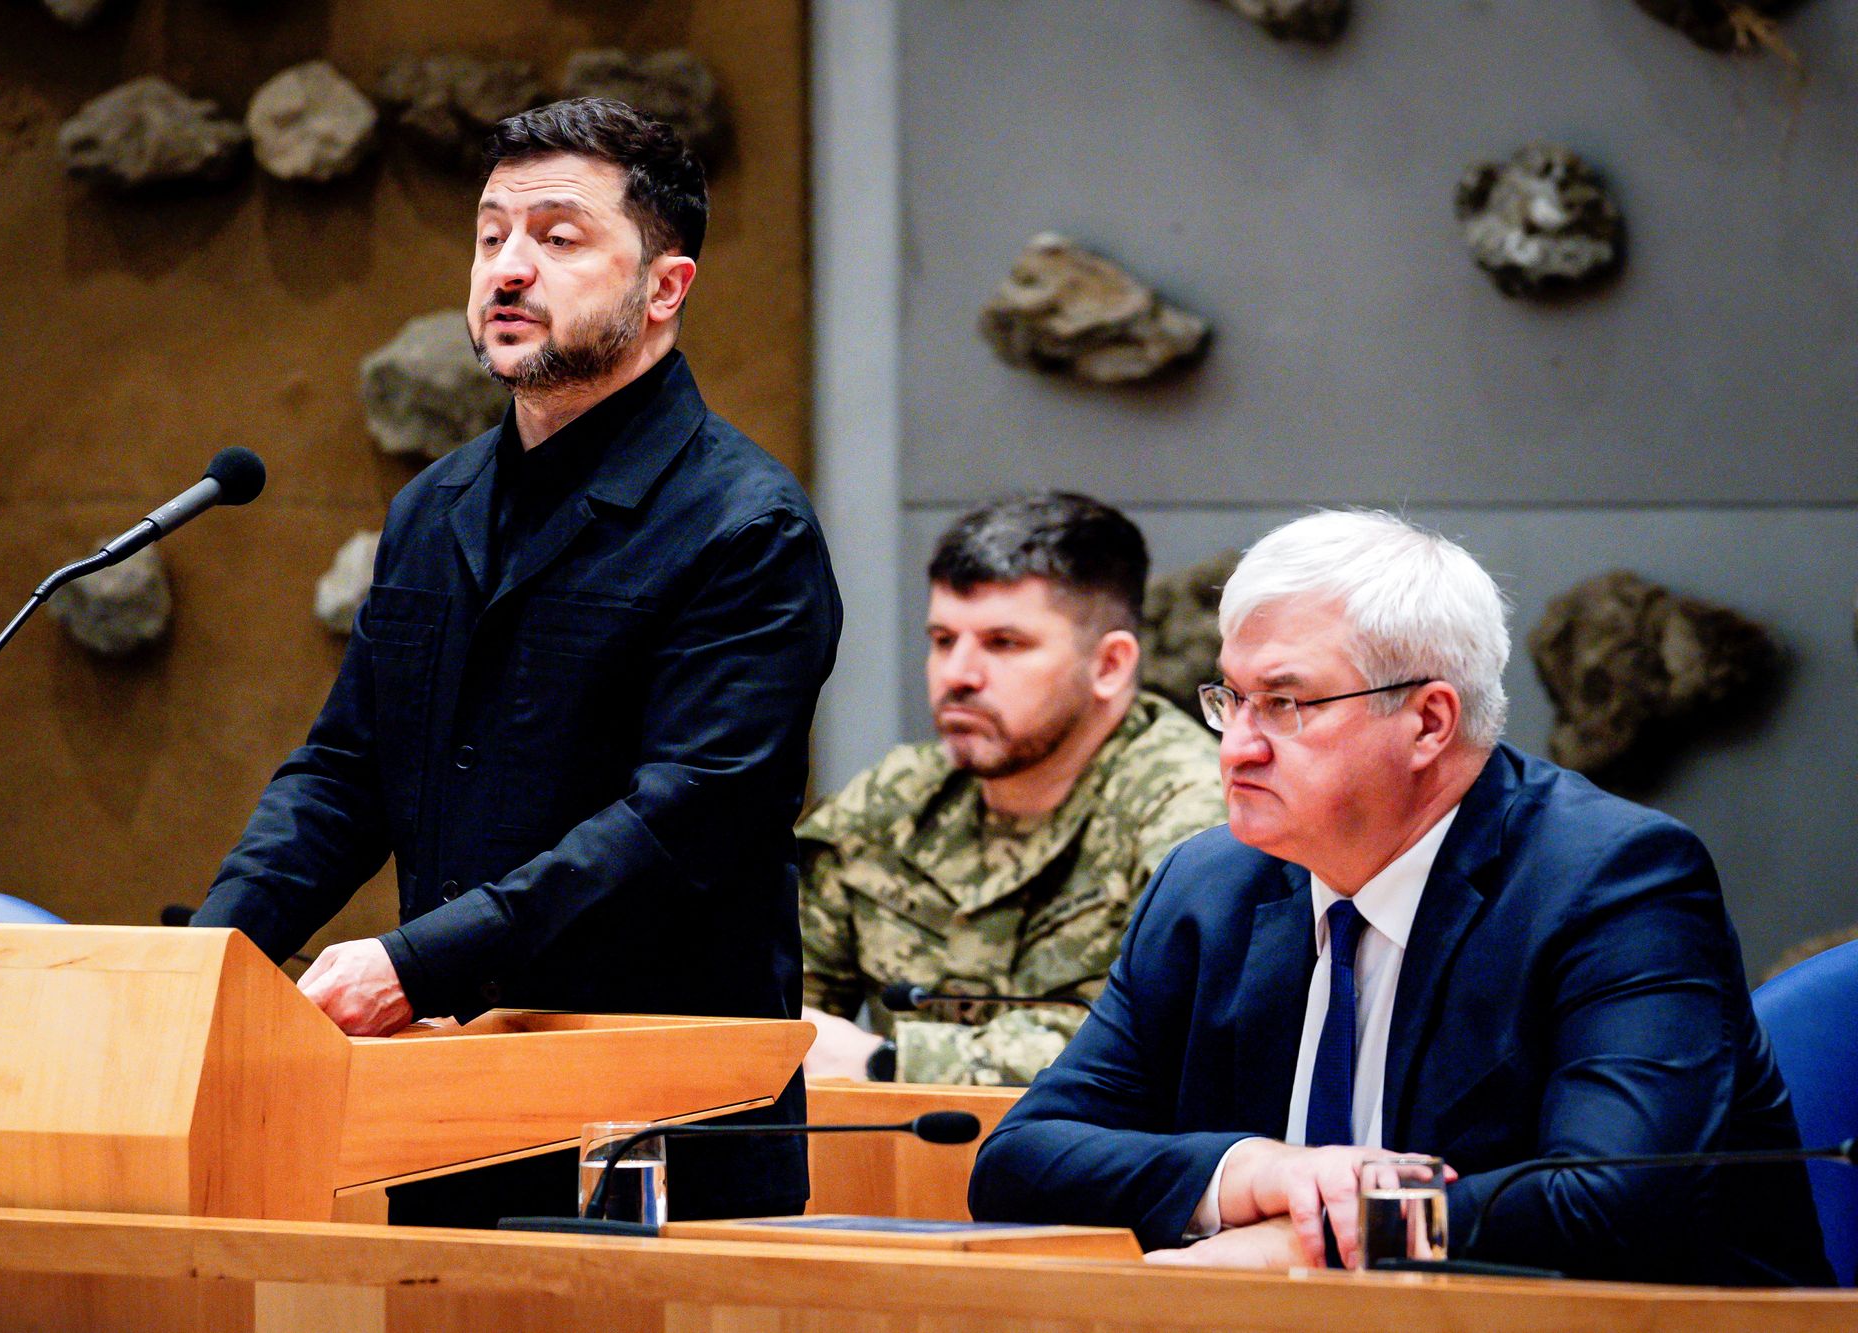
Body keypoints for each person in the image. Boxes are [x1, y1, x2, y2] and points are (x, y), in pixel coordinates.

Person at [191, 98, 842, 1226]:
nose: (509, 268)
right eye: (491, 234)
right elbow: (347, 773)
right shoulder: (432, 508)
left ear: (665, 288)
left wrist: (414, 962)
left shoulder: (745, 526)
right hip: (444, 1099)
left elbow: (678, 822)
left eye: (557, 235)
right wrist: (204, 968)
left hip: (655, 1109)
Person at [967, 510, 1829, 1285]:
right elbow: (1019, 1163)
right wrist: (1257, 1173)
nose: (1235, 747)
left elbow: (1610, 1201)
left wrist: (1327, 1237)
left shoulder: (1613, 881)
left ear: (1428, 721)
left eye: (1285, 702)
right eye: (1230, 698)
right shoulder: (1210, 885)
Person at [798, 494, 1224, 1086]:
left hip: (1109, 1173)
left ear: (1110, 666)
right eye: (944, 640)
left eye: (1004, 644)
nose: (958, 676)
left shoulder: (1196, 813)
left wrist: (889, 1066)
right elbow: (774, 1010)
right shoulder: (897, 799)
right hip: (896, 1170)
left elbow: (1163, 1048)